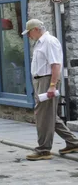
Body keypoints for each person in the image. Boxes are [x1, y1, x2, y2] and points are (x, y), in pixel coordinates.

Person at [22, 19, 78, 160]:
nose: (28, 36)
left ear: (35, 29)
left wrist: (52, 85)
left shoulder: (49, 41)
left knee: (43, 116)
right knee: (49, 115)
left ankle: (43, 150)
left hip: (47, 80)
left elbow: (55, 65)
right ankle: (73, 142)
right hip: (41, 80)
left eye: (29, 32)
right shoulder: (41, 42)